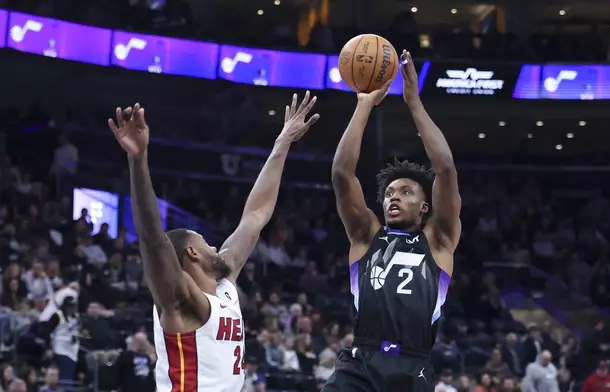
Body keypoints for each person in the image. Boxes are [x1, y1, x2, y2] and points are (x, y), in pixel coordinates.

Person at [107, 93, 319, 392]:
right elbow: (153, 241)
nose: (216, 247)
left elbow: (256, 215)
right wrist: (138, 160)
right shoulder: (181, 300)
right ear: (191, 253)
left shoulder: (225, 283)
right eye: (206, 242)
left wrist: (282, 143)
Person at [324, 50, 461, 392]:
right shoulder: (366, 236)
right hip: (361, 361)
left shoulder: (439, 240)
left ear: (425, 207)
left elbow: (444, 168)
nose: (393, 197)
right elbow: (342, 172)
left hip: (413, 365)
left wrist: (413, 101)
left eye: (406, 192)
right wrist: (364, 104)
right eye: (389, 194)